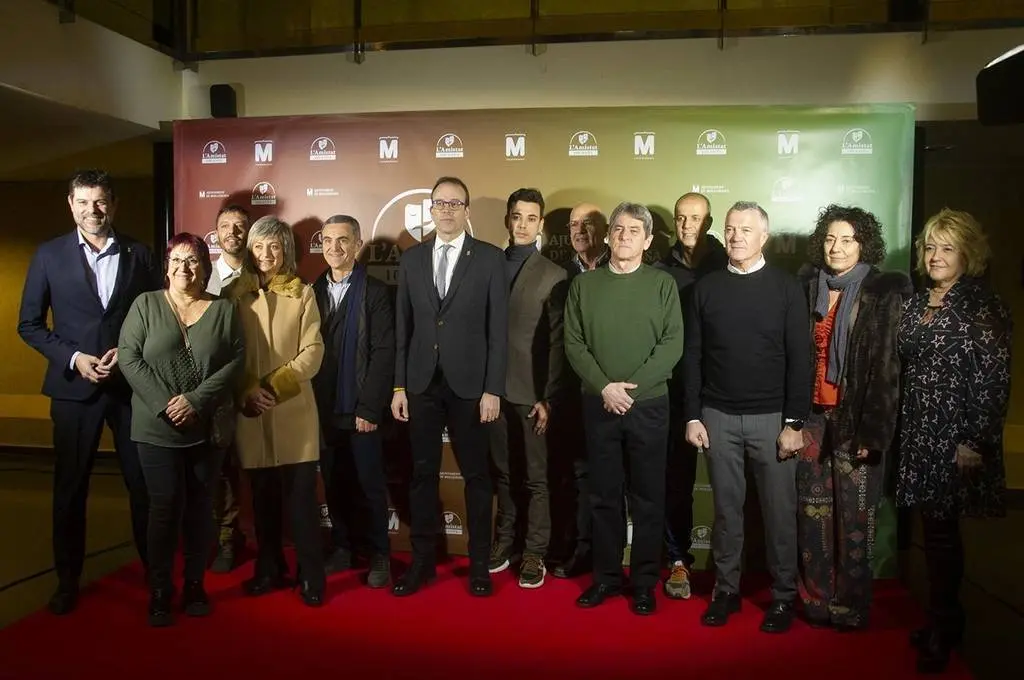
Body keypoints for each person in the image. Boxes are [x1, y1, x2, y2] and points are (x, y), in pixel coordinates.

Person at [17, 169, 159, 615]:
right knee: (70, 489)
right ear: (70, 204)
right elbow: (30, 325)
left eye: (100, 202)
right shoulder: (48, 255)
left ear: (113, 204)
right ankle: (67, 582)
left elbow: (158, 318)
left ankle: (156, 581)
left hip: (131, 390)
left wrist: (133, 351)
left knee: (143, 488)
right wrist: (74, 358)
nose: (92, 210)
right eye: (83, 202)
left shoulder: (141, 254)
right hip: (73, 389)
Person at [684, 200, 810, 633]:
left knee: (779, 515)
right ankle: (726, 592)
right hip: (717, 416)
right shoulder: (706, 288)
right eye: (731, 229)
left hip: (773, 419)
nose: (736, 236)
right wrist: (692, 416)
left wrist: (795, 423)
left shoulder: (786, 288)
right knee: (726, 514)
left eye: (746, 229)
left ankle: (783, 597)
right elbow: (694, 357)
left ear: (764, 237)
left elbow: (801, 358)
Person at [896, 208, 1011, 674]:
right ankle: (941, 618)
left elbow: (994, 379)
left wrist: (974, 440)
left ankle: (947, 626)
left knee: (943, 538)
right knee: (933, 533)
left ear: (968, 254)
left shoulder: (983, 305)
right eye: (930, 247)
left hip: (956, 437)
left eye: (947, 247)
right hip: (919, 432)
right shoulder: (919, 300)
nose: (936, 256)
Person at [118, 233, 245, 626]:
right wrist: (165, 403)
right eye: (177, 260)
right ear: (167, 266)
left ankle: (193, 584)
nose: (184, 268)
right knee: (163, 507)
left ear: (205, 267)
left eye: (193, 261)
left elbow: (237, 360)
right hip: (155, 428)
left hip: (205, 427)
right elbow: (129, 356)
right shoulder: (145, 305)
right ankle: (159, 588)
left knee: (199, 510)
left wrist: (196, 401)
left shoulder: (223, 310)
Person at [796, 205, 912, 630]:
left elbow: (887, 368)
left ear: (864, 244)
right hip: (811, 417)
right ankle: (816, 598)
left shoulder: (884, 291)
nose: (837, 247)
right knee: (813, 514)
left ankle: (853, 602)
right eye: (830, 238)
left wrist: (874, 431)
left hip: (856, 421)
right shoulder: (809, 287)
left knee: (855, 519)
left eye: (847, 239)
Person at [391, 176, 508, 598]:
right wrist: (399, 386)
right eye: (439, 203)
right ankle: (422, 562)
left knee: (477, 477)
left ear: (467, 210)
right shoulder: (412, 259)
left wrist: (493, 388)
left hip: (472, 387)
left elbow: (499, 332)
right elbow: (403, 328)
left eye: (454, 203)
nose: (446, 210)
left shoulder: (491, 259)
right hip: (421, 383)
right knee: (421, 475)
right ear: (431, 209)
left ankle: (479, 565)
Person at [564, 201, 683, 616]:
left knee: (648, 497)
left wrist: (630, 391)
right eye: (618, 229)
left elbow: (672, 345)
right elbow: (574, 344)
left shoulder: (663, 284)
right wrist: (604, 388)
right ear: (608, 234)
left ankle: (646, 582)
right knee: (604, 496)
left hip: (649, 406)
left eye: (635, 230)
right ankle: (606, 578)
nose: (624, 236)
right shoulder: (584, 285)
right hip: (599, 405)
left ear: (648, 240)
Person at [223, 215, 327, 607]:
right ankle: (269, 569)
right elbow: (226, 353)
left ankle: (311, 575)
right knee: (262, 503)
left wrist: (273, 386)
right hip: (251, 412)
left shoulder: (302, 294)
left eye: (274, 246)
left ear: (286, 250)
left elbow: (313, 352)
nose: (266, 254)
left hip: (293, 413)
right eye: (258, 246)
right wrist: (248, 390)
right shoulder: (234, 294)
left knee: (301, 503)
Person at [488, 188, 568, 589]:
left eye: (531, 218)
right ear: (508, 219)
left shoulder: (554, 275)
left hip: (532, 392)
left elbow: (558, 344)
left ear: (541, 225)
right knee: (503, 473)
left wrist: (549, 398)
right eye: (516, 216)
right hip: (491, 392)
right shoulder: (485, 266)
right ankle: (505, 541)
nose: (522, 224)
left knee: (536, 478)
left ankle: (535, 551)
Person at [312, 214, 395, 588]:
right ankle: (342, 546)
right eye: (327, 240)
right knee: (334, 482)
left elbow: (383, 352)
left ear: (358, 245)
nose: (334, 248)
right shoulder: (310, 292)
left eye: (343, 240)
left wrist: (368, 407)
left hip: (360, 410)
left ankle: (380, 554)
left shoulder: (376, 292)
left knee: (370, 484)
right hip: (322, 409)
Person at [654, 191, 727, 600]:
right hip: (673, 389)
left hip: (721, 389)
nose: (686, 225)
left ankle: (729, 567)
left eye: (695, 218)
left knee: (728, 486)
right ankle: (678, 561)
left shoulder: (729, 264)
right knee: (675, 482)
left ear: (709, 221)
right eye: (681, 218)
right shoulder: (660, 268)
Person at [551, 202, 609, 579]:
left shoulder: (620, 268)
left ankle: (605, 556)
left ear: (605, 229)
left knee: (607, 480)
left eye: (589, 224)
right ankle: (577, 548)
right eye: (574, 225)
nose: (580, 231)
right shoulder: (558, 272)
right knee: (573, 475)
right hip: (567, 393)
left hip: (611, 391)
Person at [206, 204, 251, 572]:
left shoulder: (265, 275)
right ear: (215, 233)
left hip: (256, 386)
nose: (233, 232)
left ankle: (265, 538)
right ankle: (224, 536)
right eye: (225, 226)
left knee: (260, 466)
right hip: (213, 390)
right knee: (219, 469)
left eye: (239, 226)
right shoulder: (198, 277)